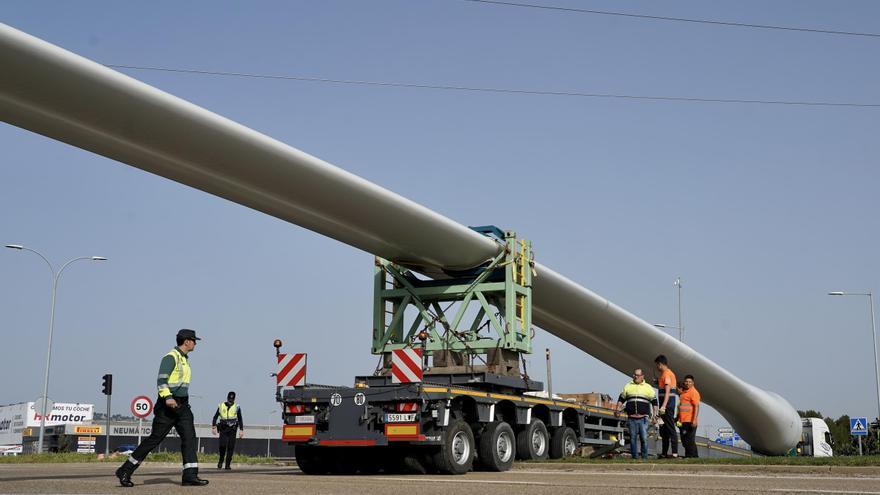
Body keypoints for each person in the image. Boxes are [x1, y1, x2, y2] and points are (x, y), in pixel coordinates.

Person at [115, 329, 209, 487]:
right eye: (194, 340)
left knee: (189, 438)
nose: (195, 343)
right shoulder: (171, 357)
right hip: (168, 405)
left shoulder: (184, 359)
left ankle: (190, 475)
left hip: (183, 405)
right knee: (155, 439)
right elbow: (161, 380)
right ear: (186, 341)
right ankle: (125, 470)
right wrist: (168, 397)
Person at [615, 368, 658, 460]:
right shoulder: (628, 386)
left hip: (643, 419)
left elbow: (654, 402)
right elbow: (621, 399)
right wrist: (617, 409)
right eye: (634, 375)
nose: (635, 377)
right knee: (632, 439)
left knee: (644, 438)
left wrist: (655, 415)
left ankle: (644, 457)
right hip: (631, 418)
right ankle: (634, 458)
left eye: (637, 375)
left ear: (642, 376)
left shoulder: (648, 387)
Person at [654, 354, 679, 458]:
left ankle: (674, 453)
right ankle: (664, 453)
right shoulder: (664, 375)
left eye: (657, 365)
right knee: (664, 430)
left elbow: (668, 391)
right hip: (665, 407)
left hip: (667, 407)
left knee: (670, 429)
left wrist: (663, 406)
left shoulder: (667, 374)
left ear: (660, 364)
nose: (656, 367)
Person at [212, 391, 244, 469]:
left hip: (232, 429)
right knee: (222, 445)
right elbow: (215, 417)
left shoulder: (237, 407)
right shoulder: (221, 406)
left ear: (234, 399)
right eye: (229, 399)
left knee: (231, 446)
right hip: (223, 428)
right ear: (227, 398)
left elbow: (240, 419)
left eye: (232, 400)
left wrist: (241, 430)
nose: (230, 401)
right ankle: (221, 460)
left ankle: (227, 464)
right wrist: (213, 427)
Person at [677, 374, 701, 458]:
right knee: (684, 440)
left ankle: (693, 456)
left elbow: (696, 406)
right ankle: (689, 456)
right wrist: (677, 418)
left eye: (689, 382)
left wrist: (694, 420)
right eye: (686, 381)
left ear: (693, 383)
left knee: (689, 440)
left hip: (690, 421)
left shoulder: (693, 392)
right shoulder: (683, 393)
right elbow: (681, 407)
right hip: (682, 421)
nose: (687, 383)